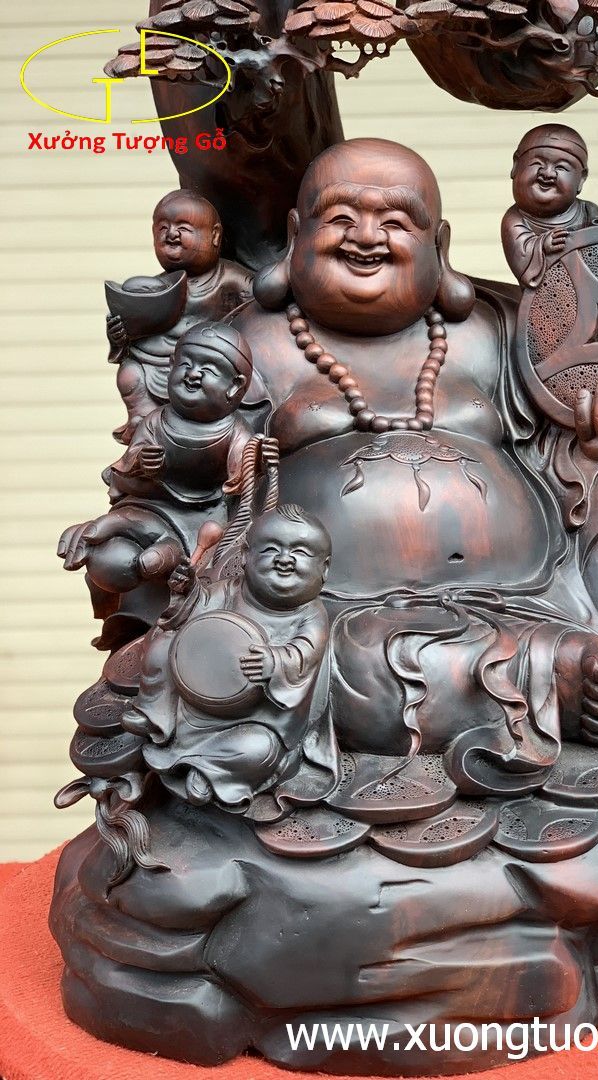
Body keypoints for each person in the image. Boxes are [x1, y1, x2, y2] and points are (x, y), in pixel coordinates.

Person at [231, 137, 598, 781]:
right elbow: (197, 458)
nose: (365, 237)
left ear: (440, 244)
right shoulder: (249, 341)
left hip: (537, 586)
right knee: (350, 670)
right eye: (340, 217)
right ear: (295, 234)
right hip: (338, 603)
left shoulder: (498, 326)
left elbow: (564, 430)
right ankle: (552, 679)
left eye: (396, 221)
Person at [122, 505, 336, 814]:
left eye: (300, 552)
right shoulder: (229, 591)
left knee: (260, 750)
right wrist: (186, 590)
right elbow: (196, 606)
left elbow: (305, 652)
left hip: (256, 719)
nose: (284, 559)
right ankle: (155, 714)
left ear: (324, 569)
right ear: (246, 556)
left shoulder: (310, 616)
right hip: (189, 709)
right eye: (271, 549)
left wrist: (275, 662)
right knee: (164, 640)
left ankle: (208, 770)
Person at [106, 189, 254, 442]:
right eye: (162, 228)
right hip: (160, 361)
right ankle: (142, 417)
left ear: (215, 236)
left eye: (183, 228)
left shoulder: (229, 278)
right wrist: (120, 336)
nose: (171, 234)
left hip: (204, 366)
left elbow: (258, 305)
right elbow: (135, 332)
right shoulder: (152, 288)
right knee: (130, 373)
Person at [104, 322, 254, 508]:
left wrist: (259, 459)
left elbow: (244, 470)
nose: (192, 374)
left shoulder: (235, 430)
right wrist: (142, 460)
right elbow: (132, 458)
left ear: (235, 386)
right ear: (172, 365)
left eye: (208, 370)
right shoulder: (156, 420)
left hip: (211, 504)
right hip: (157, 499)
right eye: (185, 364)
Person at [501, 124, 598, 289]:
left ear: (581, 179)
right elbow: (522, 260)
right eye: (537, 163)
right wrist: (543, 245)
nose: (548, 173)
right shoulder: (516, 219)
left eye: (561, 167)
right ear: (515, 165)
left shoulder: (588, 211)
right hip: (549, 296)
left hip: (597, 291)